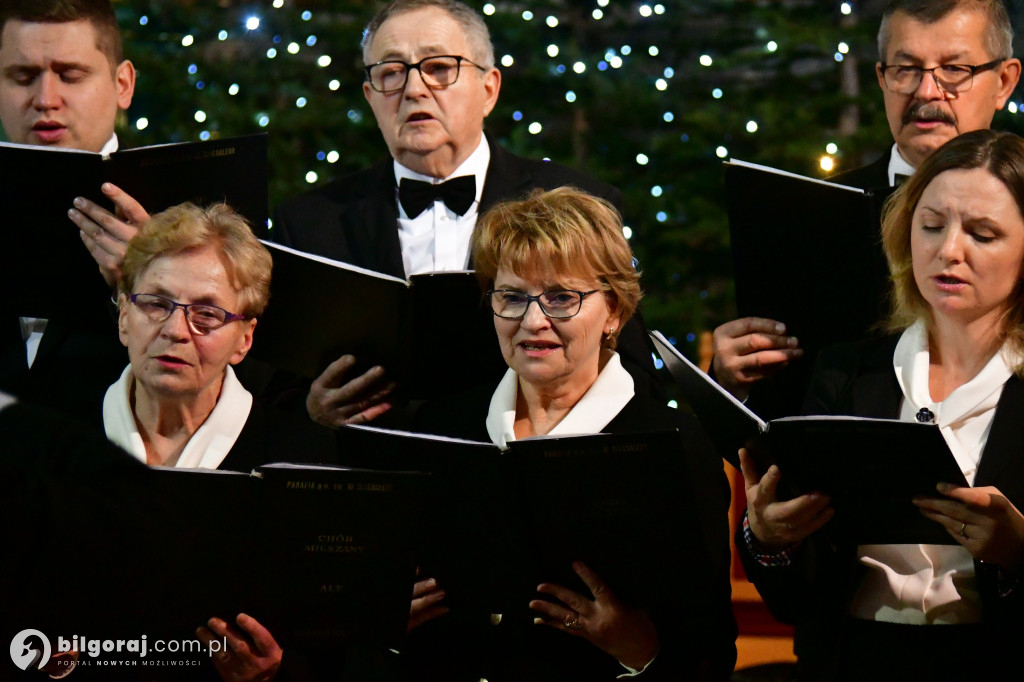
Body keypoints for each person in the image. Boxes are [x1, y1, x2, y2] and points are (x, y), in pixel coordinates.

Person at [271, 0, 663, 429]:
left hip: (523, 470)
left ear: (489, 89)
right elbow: (271, 389)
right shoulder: (308, 222)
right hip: (372, 477)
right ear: (370, 96)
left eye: (439, 68)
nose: (414, 89)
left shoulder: (577, 201)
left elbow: (633, 370)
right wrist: (313, 411)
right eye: (391, 72)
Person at [397, 187, 736, 681]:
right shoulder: (440, 427)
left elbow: (711, 655)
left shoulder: (674, 444)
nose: (533, 321)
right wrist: (385, 625)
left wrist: (638, 650)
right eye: (511, 297)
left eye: (562, 297)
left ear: (614, 312)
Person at [737, 129, 1024, 681]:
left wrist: (1018, 554)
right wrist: (769, 539)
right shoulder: (846, 371)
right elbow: (793, 596)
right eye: (932, 225)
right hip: (851, 658)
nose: (948, 251)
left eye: (982, 234)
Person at [712, 0, 1022, 413]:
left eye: (954, 70)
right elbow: (774, 415)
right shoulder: (806, 210)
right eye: (906, 69)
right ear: (881, 77)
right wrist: (731, 383)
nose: (926, 91)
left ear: (1004, 81)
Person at [103, 201, 339, 681]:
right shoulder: (47, 440)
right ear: (125, 314)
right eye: (155, 303)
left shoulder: (305, 459)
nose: (174, 330)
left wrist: (276, 673)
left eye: (207, 314)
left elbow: (334, 653)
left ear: (245, 340)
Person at [0, 0, 150, 420]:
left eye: (71, 75)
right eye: (22, 76)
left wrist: (152, 286)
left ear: (123, 85)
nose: (46, 99)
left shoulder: (194, 213)